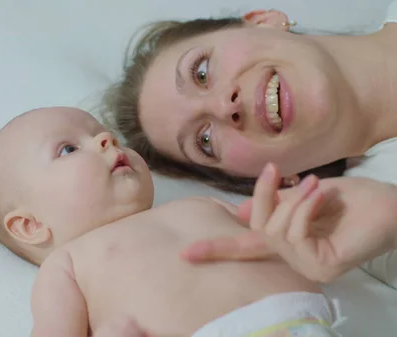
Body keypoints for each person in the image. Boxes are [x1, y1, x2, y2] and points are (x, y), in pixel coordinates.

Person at [0, 107, 397, 336]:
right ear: (30, 226)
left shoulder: (202, 205)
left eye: (104, 134)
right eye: (67, 149)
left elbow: (284, 230)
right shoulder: (69, 264)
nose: (104, 139)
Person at [101, 3, 397, 288]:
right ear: (271, 180)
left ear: (263, 21)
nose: (222, 106)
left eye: (201, 73)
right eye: (205, 141)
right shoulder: (370, 235)